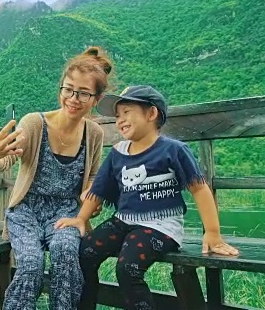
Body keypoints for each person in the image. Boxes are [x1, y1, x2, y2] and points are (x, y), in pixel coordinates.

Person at [55, 85, 240, 310]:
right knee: (84, 253)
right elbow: (99, 190)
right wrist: (81, 218)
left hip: (160, 227)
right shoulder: (118, 153)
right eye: (117, 115)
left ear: (151, 114)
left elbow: (200, 189)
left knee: (127, 268)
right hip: (123, 221)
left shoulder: (173, 150)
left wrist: (212, 233)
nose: (120, 120)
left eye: (127, 112)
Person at [0, 46, 113, 310]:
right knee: (30, 264)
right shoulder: (34, 123)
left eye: (83, 93)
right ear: (61, 88)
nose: (74, 98)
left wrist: (92, 199)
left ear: (96, 99)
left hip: (65, 213)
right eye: (68, 89)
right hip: (26, 210)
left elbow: (92, 179)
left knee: (66, 256)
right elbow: (4, 160)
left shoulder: (94, 134)